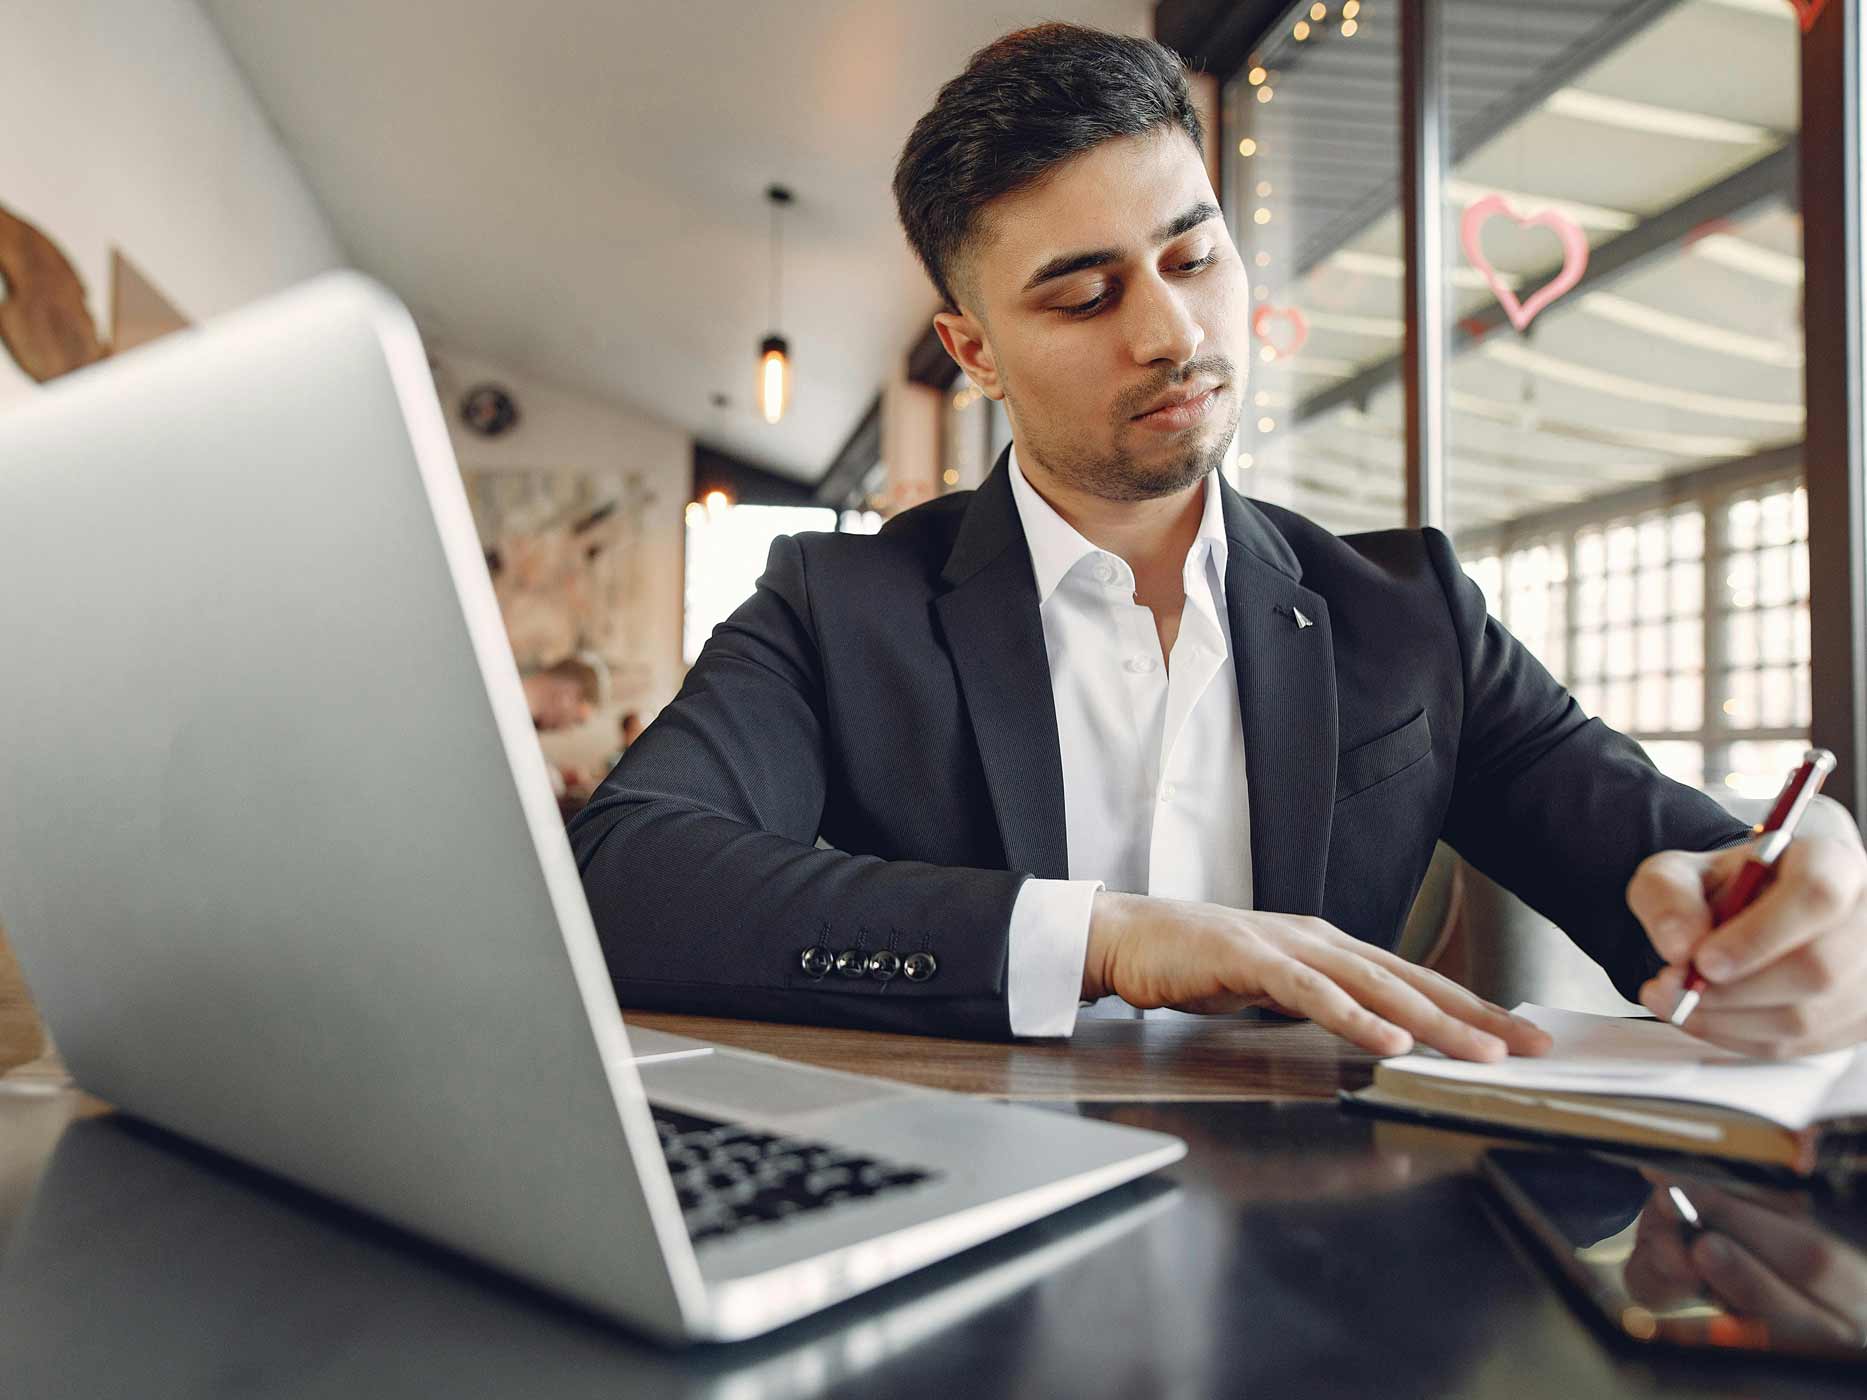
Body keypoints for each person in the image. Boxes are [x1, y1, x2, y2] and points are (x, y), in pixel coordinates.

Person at [569, 24, 1867, 1059]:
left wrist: (1796, 900)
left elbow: (1668, 862)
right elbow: (626, 879)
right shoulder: (837, 602)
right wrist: (1098, 938)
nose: (1173, 334)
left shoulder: (1408, 610)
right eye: (1084, 295)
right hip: (956, 1242)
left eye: (1195, 259)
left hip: (1335, 1251)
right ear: (972, 353)